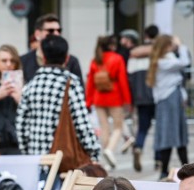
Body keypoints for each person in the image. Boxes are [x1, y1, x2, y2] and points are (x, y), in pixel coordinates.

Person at [16, 35, 100, 161]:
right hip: (63, 159)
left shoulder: (31, 85)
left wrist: (27, 152)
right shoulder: (70, 83)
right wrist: (94, 151)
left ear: (43, 58)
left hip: (36, 158)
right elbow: (82, 125)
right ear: (66, 58)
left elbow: (21, 124)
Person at [146, 35, 190, 180]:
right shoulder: (164, 61)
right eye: (171, 44)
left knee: (171, 135)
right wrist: (181, 45)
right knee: (172, 135)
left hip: (168, 100)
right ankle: (180, 169)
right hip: (169, 100)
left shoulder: (160, 60)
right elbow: (185, 62)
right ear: (166, 46)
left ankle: (167, 170)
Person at [85, 35, 131, 170]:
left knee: (104, 128)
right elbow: (122, 81)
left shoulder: (95, 60)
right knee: (118, 127)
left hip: (99, 98)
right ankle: (109, 150)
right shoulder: (117, 59)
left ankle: (107, 159)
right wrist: (127, 100)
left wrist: (88, 101)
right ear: (111, 45)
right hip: (114, 97)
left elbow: (90, 83)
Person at [126, 24, 159, 172]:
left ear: (145, 36)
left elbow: (130, 77)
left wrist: (132, 99)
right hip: (157, 95)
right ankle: (158, 158)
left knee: (142, 128)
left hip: (140, 96)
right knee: (160, 128)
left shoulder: (134, 55)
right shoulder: (159, 53)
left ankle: (138, 146)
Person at [20, 14, 83, 86]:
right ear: (37, 34)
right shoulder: (23, 61)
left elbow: (80, 91)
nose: (56, 33)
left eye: (59, 30)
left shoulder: (72, 61)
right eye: (50, 31)